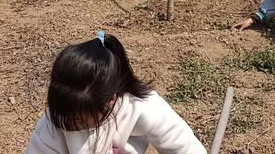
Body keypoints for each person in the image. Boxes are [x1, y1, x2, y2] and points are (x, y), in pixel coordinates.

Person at [26, 31, 206, 154]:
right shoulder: (59, 116)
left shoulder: (140, 107)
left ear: (110, 101)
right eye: (63, 114)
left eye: (79, 120)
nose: (68, 122)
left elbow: (184, 146)